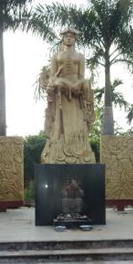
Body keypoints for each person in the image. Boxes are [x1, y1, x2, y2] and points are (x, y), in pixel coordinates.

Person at [40, 28, 96, 164]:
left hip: (76, 93)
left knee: (77, 121)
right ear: (63, 38)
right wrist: (56, 83)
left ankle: (79, 147)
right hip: (62, 93)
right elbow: (53, 76)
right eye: (66, 36)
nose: (69, 38)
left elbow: (82, 76)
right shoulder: (56, 56)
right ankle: (57, 145)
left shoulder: (80, 57)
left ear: (75, 38)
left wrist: (80, 85)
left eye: (71, 36)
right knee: (59, 83)